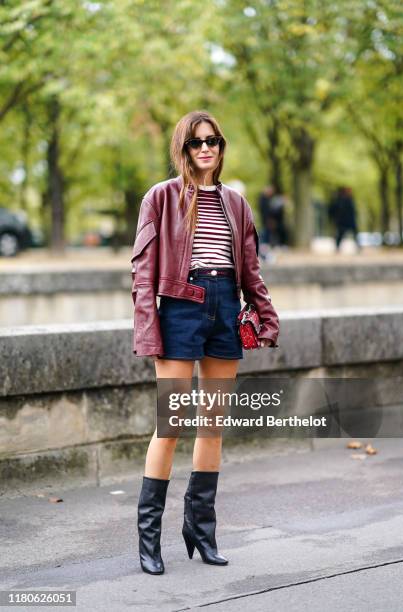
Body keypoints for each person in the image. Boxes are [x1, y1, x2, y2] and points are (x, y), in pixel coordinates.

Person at [130, 110, 280, 575]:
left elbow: (251, 271)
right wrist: (147, 327)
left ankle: (201, 527)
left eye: (213, 140)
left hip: (224, 308)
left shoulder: (236, 203)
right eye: (197, 142)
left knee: (212, 424)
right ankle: (148, 538)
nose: (206, 149)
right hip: (180, 306)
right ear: (183, 149)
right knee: (171, 424)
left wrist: (266, 315)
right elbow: (142, 274)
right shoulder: (162, 197)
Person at [328, 186, 361, 251]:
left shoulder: (348, 199)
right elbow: (332, 210)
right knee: (341, 234)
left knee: (351, 234)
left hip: (348, 220)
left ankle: (358, 247)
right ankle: (337, 247)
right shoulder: (340, 200)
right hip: (343, 221)